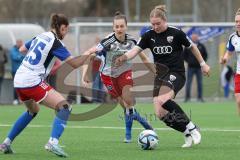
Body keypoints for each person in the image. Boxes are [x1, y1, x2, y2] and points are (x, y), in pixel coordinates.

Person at [0, 13, 94, 157]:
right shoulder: (56, 43)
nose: (66, 34)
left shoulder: (41, 36)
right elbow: (74, 63)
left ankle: (6, 143)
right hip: (32, 81)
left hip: (19, 79)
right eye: (66, 30)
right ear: (62, 27)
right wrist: (89, 54)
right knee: (65, 106)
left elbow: (22, 49)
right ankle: (53, 142)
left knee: (32, 111)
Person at [115, 5, 210, 148]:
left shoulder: (176, 33)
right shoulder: (148, 35)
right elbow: (135, 50)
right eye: (152, 24)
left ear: (165, 20)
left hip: (176, 73)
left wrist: (203, 64)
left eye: (158, 23)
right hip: (160, 76)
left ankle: (192, 127)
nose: (155, 26)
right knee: (160, 113)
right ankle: (186, 133)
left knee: (163, 99)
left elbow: (193, 47)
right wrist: (123, 57)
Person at [82, 11, 155, 143]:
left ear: (126, 26)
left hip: (125, 73)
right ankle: (144, 122)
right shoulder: (107, 41)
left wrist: (155, 72)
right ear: (113, 27)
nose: (119, 29)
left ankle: (128, 135)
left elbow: (144, 58)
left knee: (128, 101)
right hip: (108, 76)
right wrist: (85, 74)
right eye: (117, 26)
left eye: (122, 26)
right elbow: (89, 54)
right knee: (125, 106)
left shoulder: (132, 40)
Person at [220, 8, 240, 115]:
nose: (238, 24)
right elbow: (229, 52)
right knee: (238, 100)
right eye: (236, 21)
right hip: (239, 73)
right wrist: (224, 59)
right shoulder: (233, 37)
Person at [184, 33, 208, 102]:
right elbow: (184, 55)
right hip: (190, 68)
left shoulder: (201, 46)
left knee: (200, 83)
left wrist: (202, 64)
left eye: (195, 37)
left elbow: (205, 55)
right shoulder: (188, 46)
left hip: (199, 68)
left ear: (197, 38)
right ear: (191, 38)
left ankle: (200, 97)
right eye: (193, 37)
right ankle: (187, 98)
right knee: (189, 82)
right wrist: (189, 61)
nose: (194, 38)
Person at [10, 39, 25, 105]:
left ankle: (21, 99)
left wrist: (21, 56)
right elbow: (15, 57)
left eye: (21, 43)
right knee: (16, 85)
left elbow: (26, 57)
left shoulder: (23, 49)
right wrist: (22, 56)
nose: (20, 44)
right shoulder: (13, 50)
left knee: (23, 85)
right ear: (17, 43)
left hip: (23, 71)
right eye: (19, 42)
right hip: (15, 71)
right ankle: (15, 99)